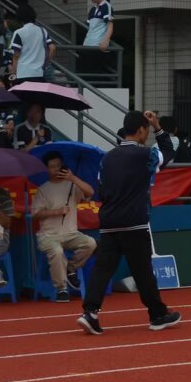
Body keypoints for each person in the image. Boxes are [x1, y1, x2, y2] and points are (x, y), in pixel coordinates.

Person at [77, 110, 182, 335]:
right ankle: (157, 315)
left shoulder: (107, 157)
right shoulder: (145, 155)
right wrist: (159, 128)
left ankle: (90, 312)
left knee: (103, 268)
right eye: (147, 130)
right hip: (134, 221)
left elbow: (100, 190)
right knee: (143, 271)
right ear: (142, 130)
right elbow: (168, 152)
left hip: (109, 221)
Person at [31, 151, 96, 298]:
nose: (56, 169)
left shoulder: (72, 185)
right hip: (48, 236)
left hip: (71, 234)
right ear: (47, 169)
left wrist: (73, 178)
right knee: (57, 251)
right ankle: (62, 289)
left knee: (91, 243)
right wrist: (56, 212)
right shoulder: (43, 189)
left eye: (59, 165)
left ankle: (71, 268)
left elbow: (90, 191)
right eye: (52, 166)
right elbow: (35, 214)